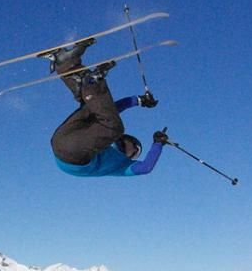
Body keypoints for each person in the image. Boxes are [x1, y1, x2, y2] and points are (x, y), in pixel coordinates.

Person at [49, 41, 168, 177]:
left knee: (114, 127)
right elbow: (111, 109)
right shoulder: (101, 139)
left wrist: (158, 144)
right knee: (94, 107)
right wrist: (138, 100)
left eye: (133, 150)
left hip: (73, 157)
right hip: (65, 136)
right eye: (132, 145)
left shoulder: (122, 166)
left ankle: (93, 82)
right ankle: (66, 63)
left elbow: (145, 167)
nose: (130, 147)